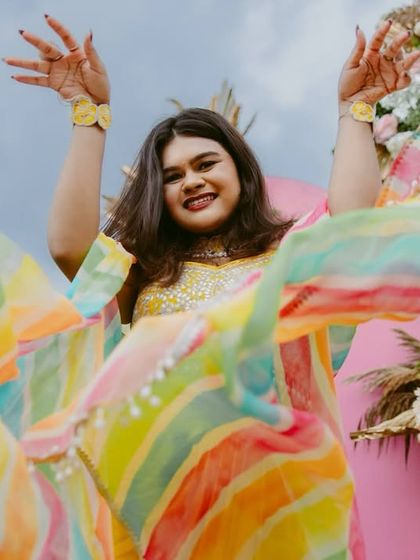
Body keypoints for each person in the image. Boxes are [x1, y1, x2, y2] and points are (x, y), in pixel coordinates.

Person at [2, 14, 420, 560]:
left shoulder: (286, 261)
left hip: (280, 506)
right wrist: (89, 118)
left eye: (205, 164)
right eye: (173, 177)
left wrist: (355, 110)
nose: (191, 181)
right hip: (163, 513)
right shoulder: (146, 275)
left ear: (242, 172)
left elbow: (347, 224)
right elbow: (68, 247)